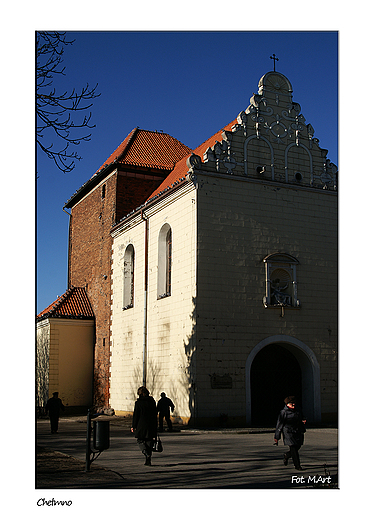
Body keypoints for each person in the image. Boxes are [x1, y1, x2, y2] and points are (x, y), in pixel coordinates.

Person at [274, 396, 306, 471]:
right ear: (287, 404)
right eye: (292, 403)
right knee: (293, 448)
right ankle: (297, 465)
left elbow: (302, 417)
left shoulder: (298, 410)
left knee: (298, 446)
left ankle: (287, 455)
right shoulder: (284, 412)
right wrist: (277, 436)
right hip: (288, 432)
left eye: (294, 403)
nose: (293, 404)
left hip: (298, 431)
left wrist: (303, 420)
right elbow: (279, 425)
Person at [131, 386, 158, 466]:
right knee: (149, 441)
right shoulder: (152, 401)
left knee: (140, 440)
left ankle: (145, 452)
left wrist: (133, 426)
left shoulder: (138, 403)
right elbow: (155, 412)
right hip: (151, 424)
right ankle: (148, 459)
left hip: (141, 424)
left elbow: (136, 415)